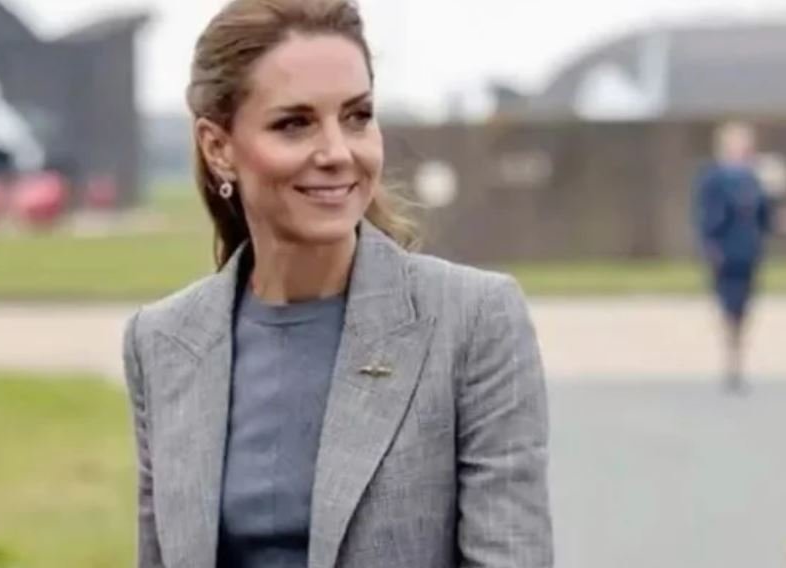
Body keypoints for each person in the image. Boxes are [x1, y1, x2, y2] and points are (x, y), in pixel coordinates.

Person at [121, 1, 553, 566]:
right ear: (218, 147)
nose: (337, 152)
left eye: (357, 116)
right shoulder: (161, 342)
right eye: (294, 124)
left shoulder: (474, 321)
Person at [694, 122, 774, 393]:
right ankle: (732, 359)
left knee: (744, 308)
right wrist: (710, 246)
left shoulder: (755, 179)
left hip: (749, 251)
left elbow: (764, 216)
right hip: (725, 253)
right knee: (728, 304)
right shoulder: (713, 179)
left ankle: (736, 357)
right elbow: (706, 216)